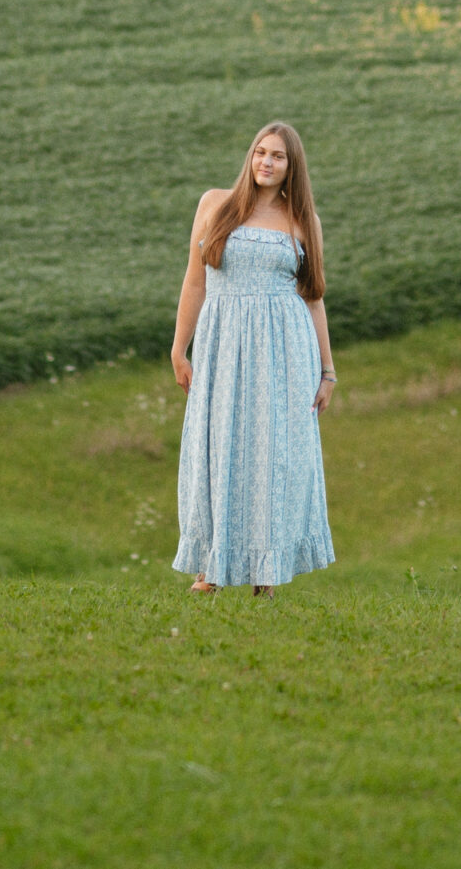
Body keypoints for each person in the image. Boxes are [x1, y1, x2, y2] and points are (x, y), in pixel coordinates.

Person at [170, 121, 337, 596]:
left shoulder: (304, 222)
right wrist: (179, 348)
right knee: (218, 447)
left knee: (273, 456)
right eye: (260, 152)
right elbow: (194, 281)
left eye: (278, 156)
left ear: (291, 167)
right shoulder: (214, 204)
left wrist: (327, 371)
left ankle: (268, 572)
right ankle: (211, 568)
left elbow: (314, 299)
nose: (266, 161)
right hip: (222, 346)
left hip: (284, 351)